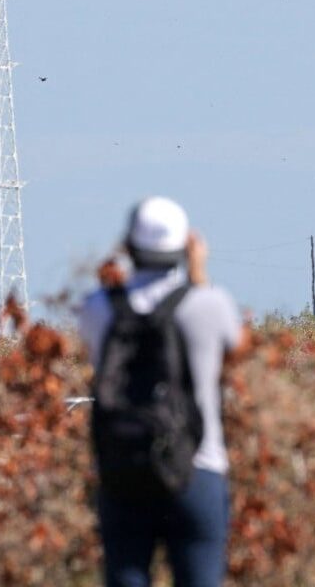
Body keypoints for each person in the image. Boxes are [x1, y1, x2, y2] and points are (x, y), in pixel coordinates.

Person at [78, 196, 242, 587]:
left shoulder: (98, 308)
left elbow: (92, 344)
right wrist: (198, 273)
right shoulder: (209, 304)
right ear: (186, 246)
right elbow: (237, 345)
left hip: (123, 468)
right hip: (196, 467)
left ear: (129, 245)